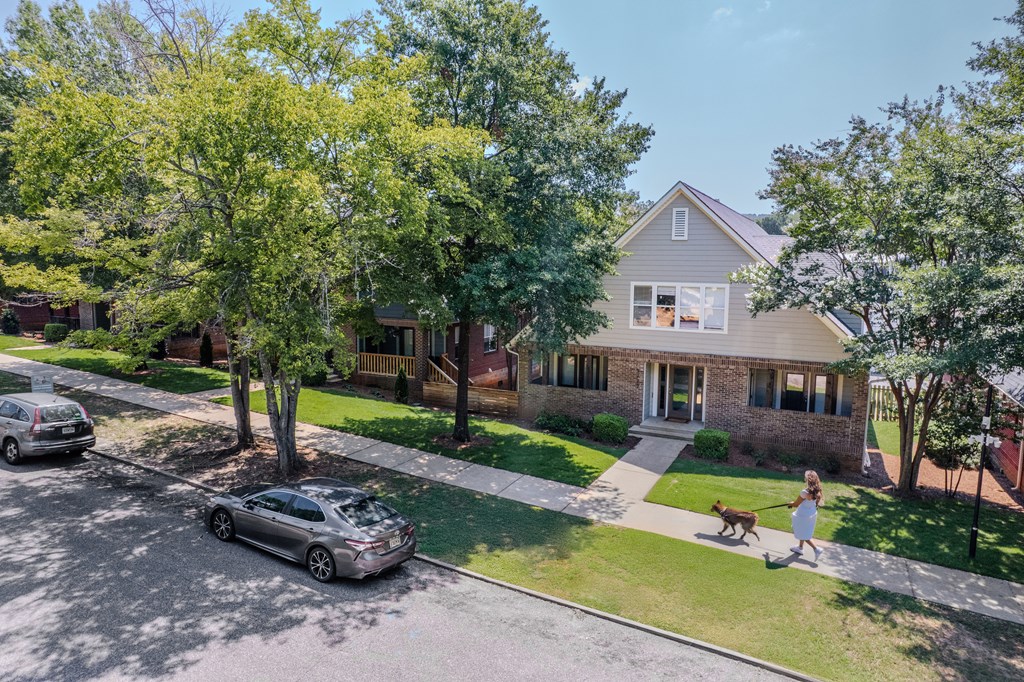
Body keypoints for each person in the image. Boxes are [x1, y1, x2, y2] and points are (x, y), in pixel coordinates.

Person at [788, 470, 824, 561]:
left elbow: (796, 504)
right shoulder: (818, 491)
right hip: (811, 514)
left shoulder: (804, 492)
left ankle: (816, 549)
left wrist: (789, 503)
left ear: (808, 479)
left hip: (802, 514)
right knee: (804, 530)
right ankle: (800, 548)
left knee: (803, 533)